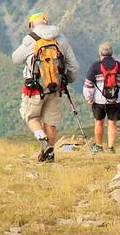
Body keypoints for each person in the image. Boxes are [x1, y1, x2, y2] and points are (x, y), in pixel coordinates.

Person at [11, 11, 79, 163]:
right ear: (46, 22)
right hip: (56, 88)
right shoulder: (61, 39)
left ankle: (40, 136)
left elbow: (15, 58)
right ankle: (49, 153)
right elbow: (73, 66)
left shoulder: (31, 39)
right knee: (51, 122)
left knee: (31, 116)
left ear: (31, 25)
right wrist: (66, 80)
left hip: (35, 88)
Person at [83, 41, 120, 154]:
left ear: (100, 53)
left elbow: (88, 85)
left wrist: (89, 98)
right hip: (116, 100)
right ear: (111, 53)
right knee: (113, 123)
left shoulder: (95, 66)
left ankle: (99, 146)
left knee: (99, 122)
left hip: (98, 100)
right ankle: (111, 148)